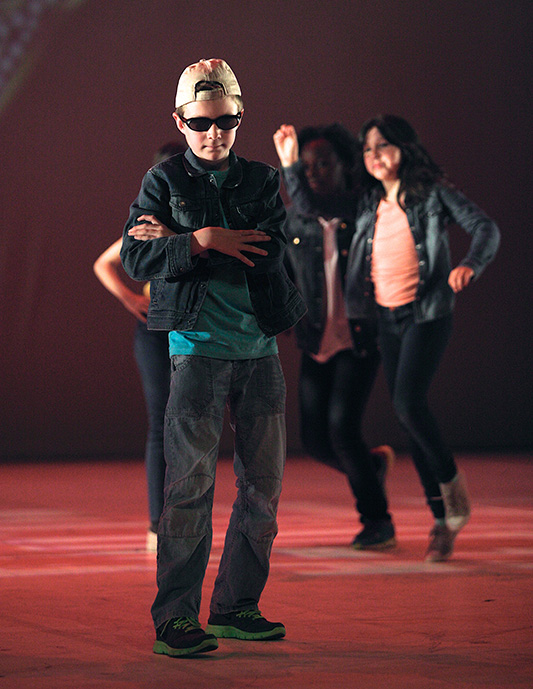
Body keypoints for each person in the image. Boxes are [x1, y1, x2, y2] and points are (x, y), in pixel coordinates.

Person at [120, 58, 306, 657]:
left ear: (240, 117)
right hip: (195, 350)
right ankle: (176, 619)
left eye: (225, 120)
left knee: (263, 489)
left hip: (259, 350)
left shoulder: (261, 180)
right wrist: (203, 239)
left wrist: (183, 243)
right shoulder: (162, 180)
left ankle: (235, 606)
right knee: (189, 488)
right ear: (180, 121)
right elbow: (136, 259)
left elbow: (270, 253)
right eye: (200, 122)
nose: (213, 133)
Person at [345, 114, 500, 562]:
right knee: (407, 415)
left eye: (383, 145)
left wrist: (470, 264)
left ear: (405, 148)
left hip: (426, 313)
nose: (374, 155)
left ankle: (454, 496)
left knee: (409, 405)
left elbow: (485, 227)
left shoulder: (432, 194)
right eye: (368, 149)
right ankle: (442, 517)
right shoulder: (369, 202)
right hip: (386, 318)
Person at [273, 123, 396, 549]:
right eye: (305, 167)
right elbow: (284, 272)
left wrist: (288, 164)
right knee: (314, 440)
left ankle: (378, 521)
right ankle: (371, 468)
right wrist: (281, 313)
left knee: (343, 429)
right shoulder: (295, 219)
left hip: (359, 339)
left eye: (323, 163)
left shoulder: (362, 208)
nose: (313, 173)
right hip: (317, 340)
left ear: (344, 165)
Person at [93, 142, 185, 552]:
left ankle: (188, 519)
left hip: (195, 326)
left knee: (193, 423)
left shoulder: (202, 216)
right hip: (153, 329)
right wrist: (131, 299)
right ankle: (157, 524)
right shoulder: (147, 220)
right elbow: (103, 263)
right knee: (160, 421)